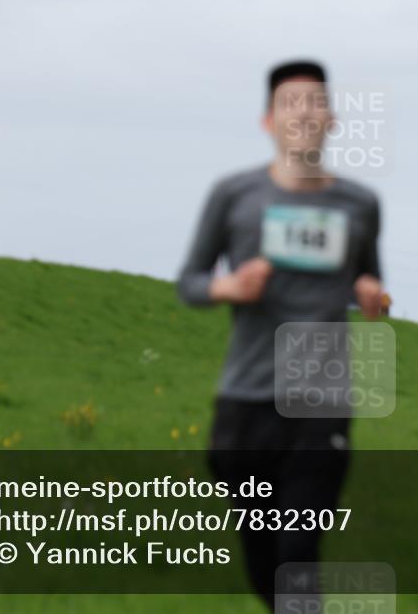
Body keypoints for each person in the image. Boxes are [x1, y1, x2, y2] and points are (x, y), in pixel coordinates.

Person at [177, 60, 384, 611]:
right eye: (291, 103)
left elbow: (370, 287)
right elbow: (191, 282)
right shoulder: (234, 195)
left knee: (298, 552)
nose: (304, 114)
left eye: (315, 102)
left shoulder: (360, 205)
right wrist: (232, 288)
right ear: (268, 119)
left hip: (320, 402)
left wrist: (374, 300)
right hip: (245, 400)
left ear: (333, 119)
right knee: (263, 558)